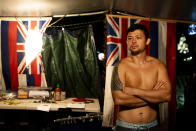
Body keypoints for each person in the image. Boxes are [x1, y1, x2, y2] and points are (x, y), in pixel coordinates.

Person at [111, 24, 172, 131]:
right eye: (130, 38)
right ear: (126, 42)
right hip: (125, 127)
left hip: (152, 126)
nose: (133, 41)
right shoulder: (120, 66)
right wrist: (154, 95)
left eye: (138, 37)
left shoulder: (158, 65)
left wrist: (133, 90)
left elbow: (166, 95)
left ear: (147, 41)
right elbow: (119, 99)